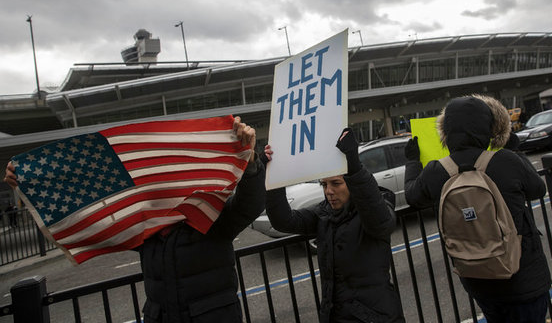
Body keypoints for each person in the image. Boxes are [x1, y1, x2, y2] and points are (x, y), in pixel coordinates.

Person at [4, 116, 265, 323]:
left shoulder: (210, 216)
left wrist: (250, 161)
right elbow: (91, 213)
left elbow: (249, 205)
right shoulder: (142, 226)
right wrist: (29, 183)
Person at [405, 95, 551, 323]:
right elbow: (537, 190)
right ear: (488, 127)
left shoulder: (438, 171)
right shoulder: (506, 160)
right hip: (524, 279)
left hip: (477, 280)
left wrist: (412, 161)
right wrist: (516, 151)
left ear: (447, 131)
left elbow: (412, 196)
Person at [263, 128, 405, 323]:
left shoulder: (376, 206)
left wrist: (354, 166)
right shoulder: (323, 213)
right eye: (324, 184)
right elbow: (283, 221)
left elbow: (381, 224)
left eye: (336, 183)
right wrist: (274, 178)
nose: (329, 191)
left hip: (375, 317)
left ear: (351, 183)